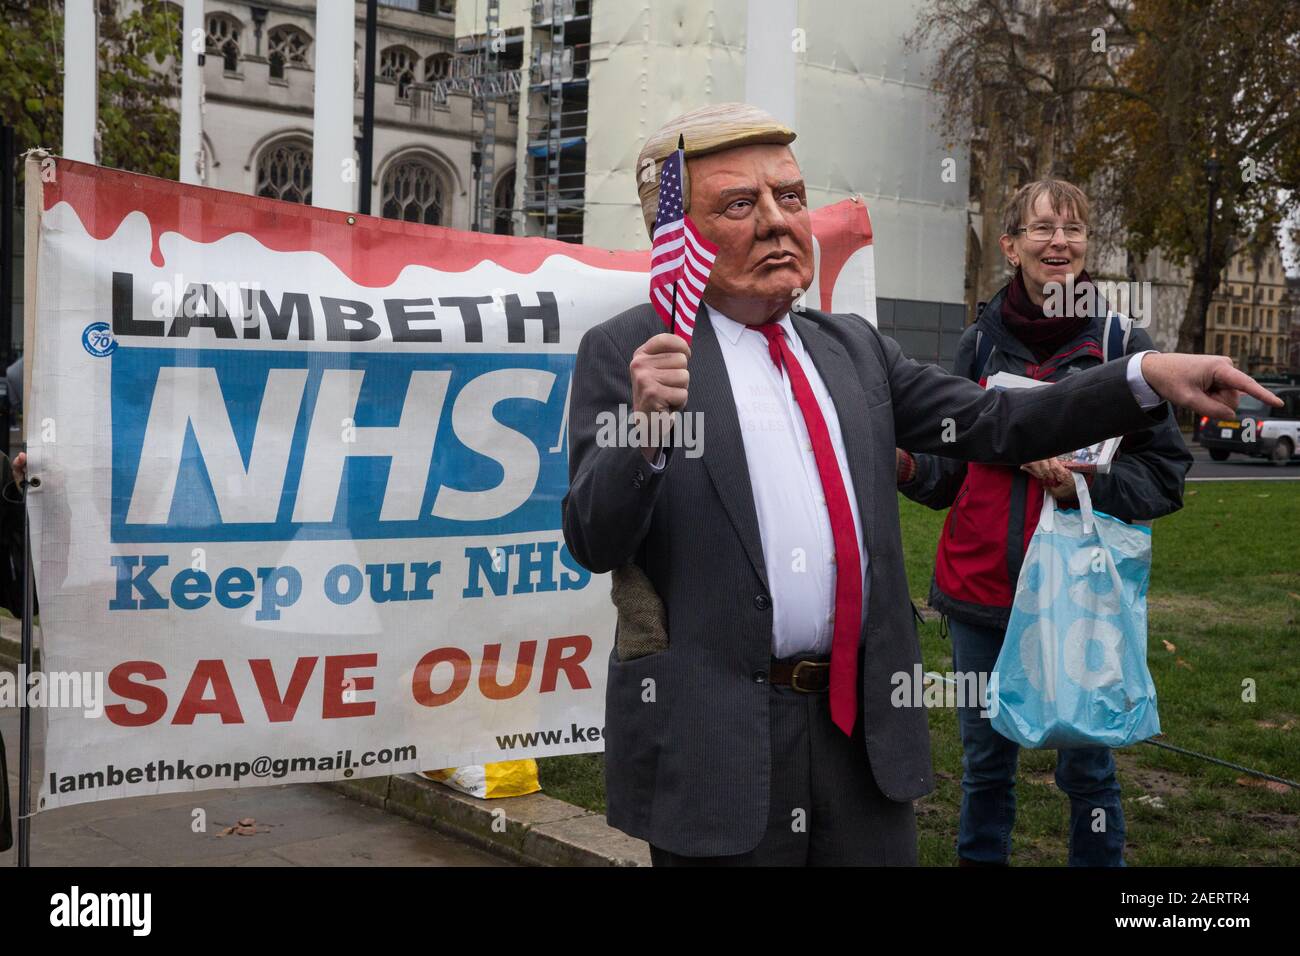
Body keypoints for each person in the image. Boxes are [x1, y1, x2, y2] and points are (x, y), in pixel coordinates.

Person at [562, 102, 1276, 866]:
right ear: (680, 235)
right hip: (720, 744)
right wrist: (644, 435)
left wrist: (1142, 375)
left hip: (861, 733)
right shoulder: (634, 353)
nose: (777, 221)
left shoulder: (853, 349)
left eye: (791, 197)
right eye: (741, 204)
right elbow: (594, 538)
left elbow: (999, 421)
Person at [896, 179, 1192, 867]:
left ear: (1087, 246)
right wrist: (908, 468)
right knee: (984, 769)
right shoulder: (976, 346)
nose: (1059, 241)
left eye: (1074, 229)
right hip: (980, 596)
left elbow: (1164, 475)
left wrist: (1083, 484)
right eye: (1042, 228)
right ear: (1011, 245)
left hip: (1076, 597)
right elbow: (950, 471)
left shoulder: (1125, 346)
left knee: (1087, 773)